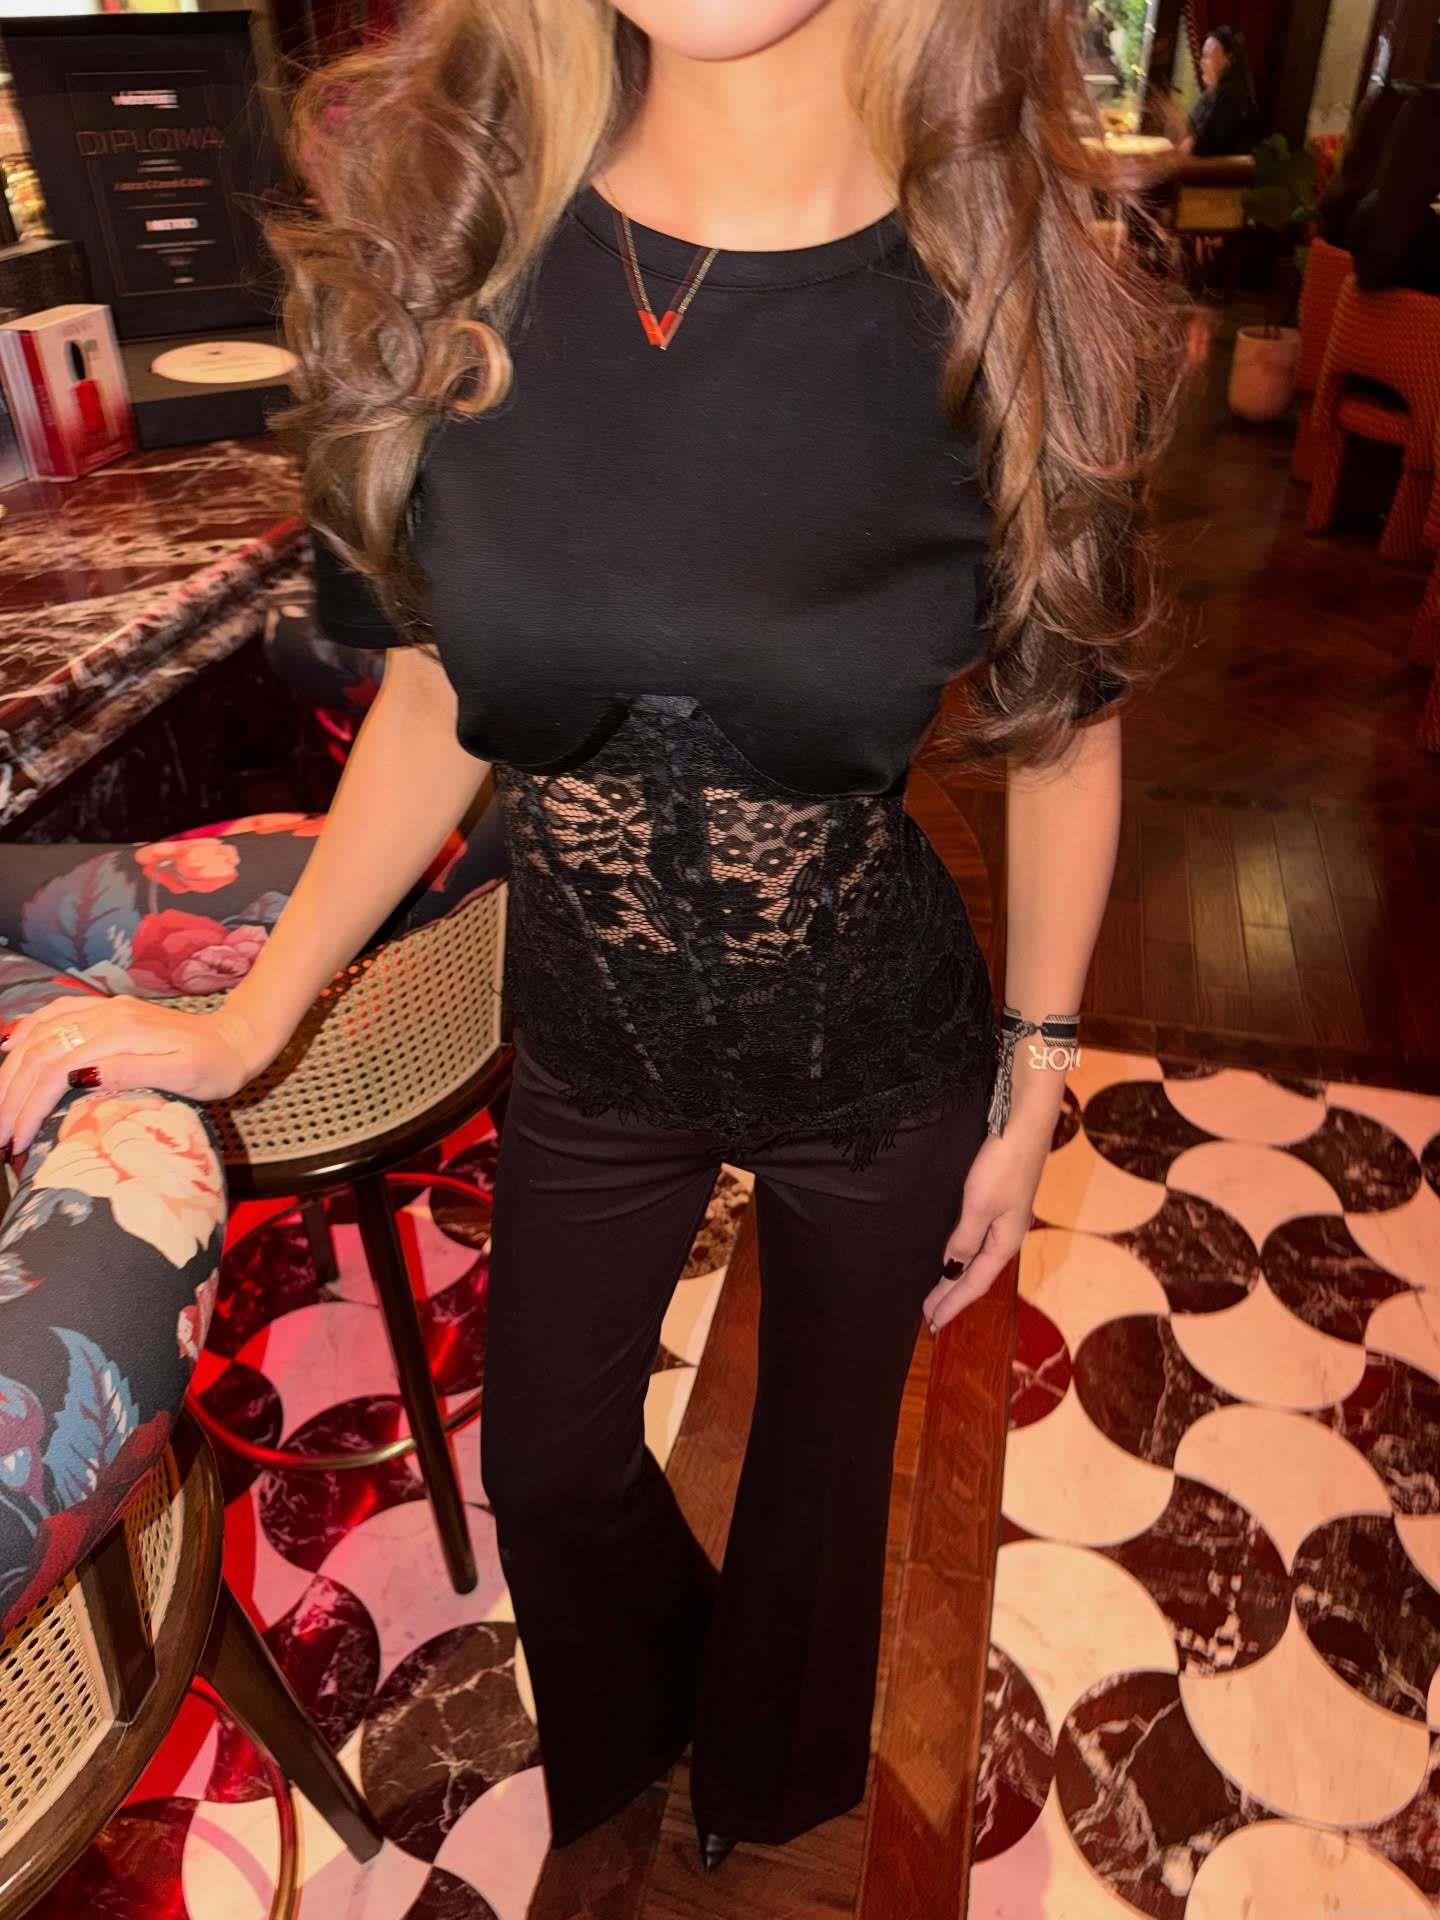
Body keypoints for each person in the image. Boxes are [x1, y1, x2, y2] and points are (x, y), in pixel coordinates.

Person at [0, 0, 1180, 1872]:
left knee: (820, 1492)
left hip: (875, 1050)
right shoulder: (456, 248)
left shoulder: (1011, 289)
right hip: (592, 1035)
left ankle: (772, 1794)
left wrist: (1034, 1084)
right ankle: (640, 1737)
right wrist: (248, 1024)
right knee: (548, 1467)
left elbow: (1067, 736)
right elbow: (433, 690)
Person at [1182, 25, 1260, 157]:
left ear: (1228, 60)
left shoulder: (1231, 97)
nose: (1201, 63)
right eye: (1203, 56)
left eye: (1207, 56)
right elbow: (1191, 130)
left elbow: (1200, 145)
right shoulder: (1213, 93)